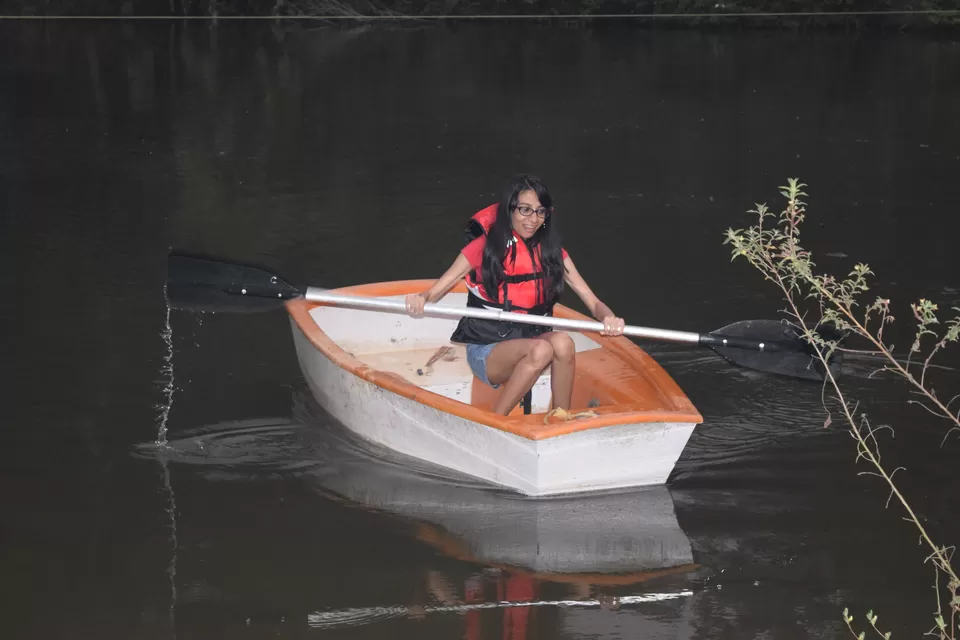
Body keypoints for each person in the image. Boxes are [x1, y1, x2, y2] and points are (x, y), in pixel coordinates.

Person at [405, 174, 625, 417]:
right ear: (509, 209)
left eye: (540, 212)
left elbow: (592, 301)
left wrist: (610, 318)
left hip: (531, 340)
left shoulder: (552, 253)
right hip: (488, 350)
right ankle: (496, 421)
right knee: (540, 350)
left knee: (563, 342)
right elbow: (436, 289)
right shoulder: (484, 247)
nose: (533, 220)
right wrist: (421, 299)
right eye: (525, 210)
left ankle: (560, 416)